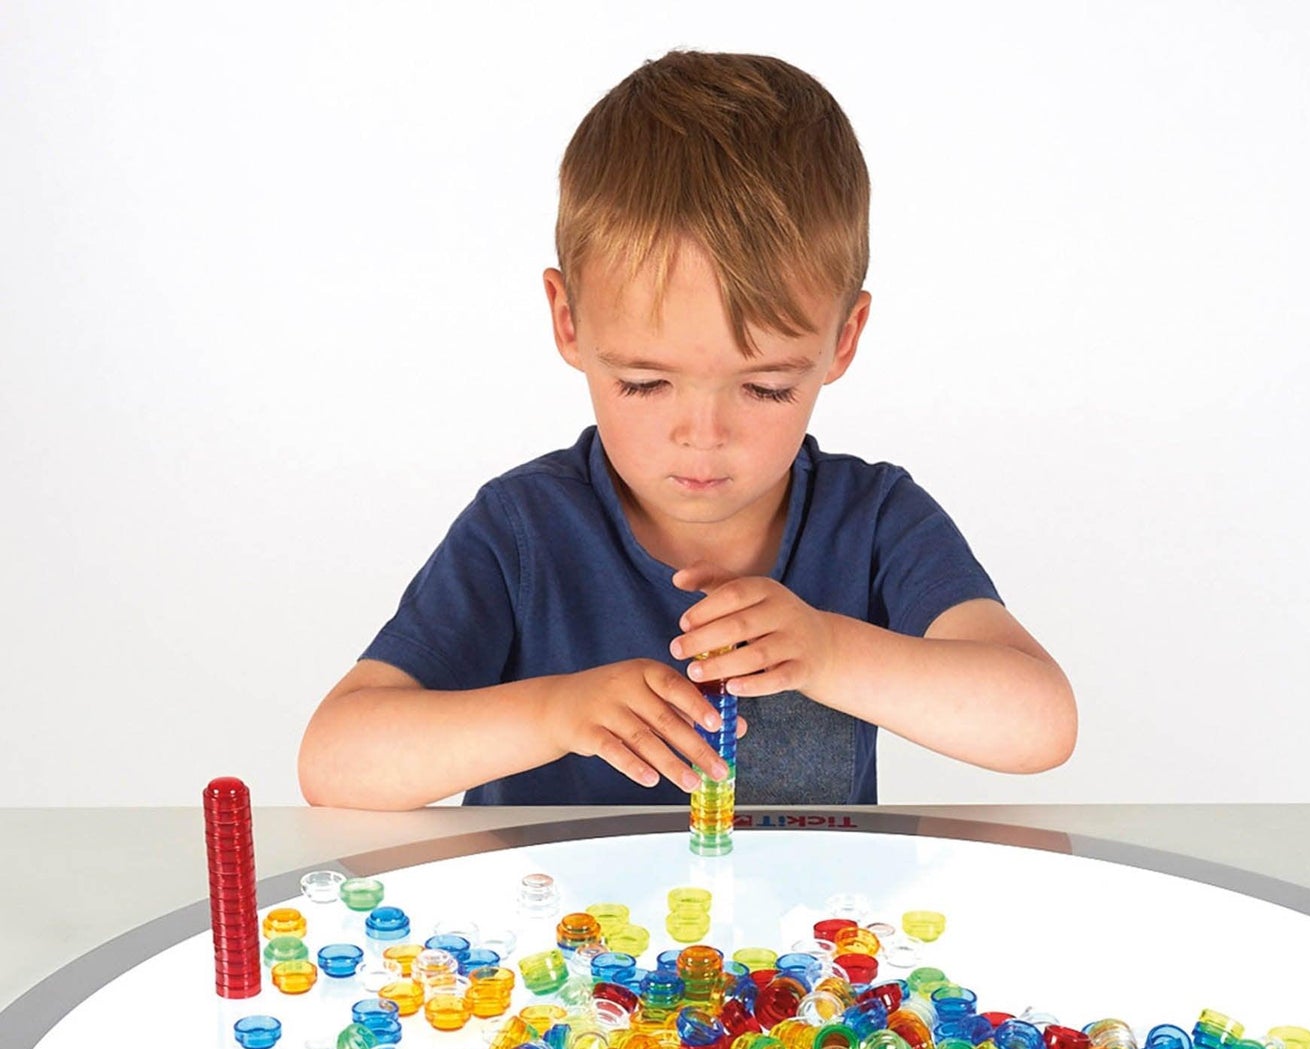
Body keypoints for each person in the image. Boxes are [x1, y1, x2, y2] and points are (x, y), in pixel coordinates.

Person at [299, 49, 1076, 810]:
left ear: (843, 339)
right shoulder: (525, 528)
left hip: (793, 938)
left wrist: (834, 651)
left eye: (765, 387)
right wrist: (551, 712)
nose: (702, 435)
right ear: (568, 322)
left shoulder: (874, 521)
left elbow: (1039, 723)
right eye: (644, 381)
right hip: (558, 937)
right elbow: (336, 759)